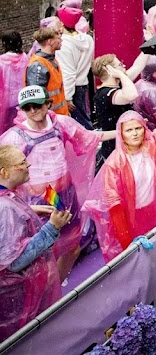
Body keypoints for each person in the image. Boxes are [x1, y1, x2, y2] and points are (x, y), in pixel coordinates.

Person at [0, 86, 114, 279]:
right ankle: (49, 294)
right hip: (37, 199)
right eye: (27, 108)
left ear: (48, 104)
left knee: (72, 246)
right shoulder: (14, 137)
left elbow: (91, 137)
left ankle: (58, 289)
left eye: (37, 105)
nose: (34, 110)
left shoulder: (60, 124)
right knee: (43, 252)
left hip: (64, 194)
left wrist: (120, 132)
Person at [81, 111, 156, 261]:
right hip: (130, 221)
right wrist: (127, 244)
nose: (134, 134)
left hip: (154, 211)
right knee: (140, 261)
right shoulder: (114, 164)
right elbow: (114, 206)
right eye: (129, 130)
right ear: (121, 134)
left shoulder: (151, 144)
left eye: (138, 128)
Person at [0, 144, 70, 340]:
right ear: (4, 172)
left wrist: (29, 209)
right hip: (21, 297)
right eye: (22, 163)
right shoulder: (4, 209)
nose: (28, 165)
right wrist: (52, 228)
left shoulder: (8, 197)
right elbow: (14, 262)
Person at [92, 53, 149, 162]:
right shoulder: (104, 94)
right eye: (120, 65)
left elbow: (137, 67)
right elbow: (132, 96)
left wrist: (147, 48)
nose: (124, 66)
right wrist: (121, 75)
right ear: (109, 70)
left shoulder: (118, 85)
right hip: (114, 148)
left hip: (125, 143)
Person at [55, 4, 95, 129]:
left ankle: (91, 142)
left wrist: (67, 97)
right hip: (83, 83)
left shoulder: (64, 45)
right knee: (83, 116)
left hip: (72, 88)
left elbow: (68, 72)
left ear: (61, 23)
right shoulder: (87, 39)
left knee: (79, 122)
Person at [25, 28, 70, 116]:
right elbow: (36, 98)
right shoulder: (38, 65)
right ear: (50, 41)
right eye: (58, 38)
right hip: (50, 117)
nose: (61, 40)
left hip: (58, 116)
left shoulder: (51, 60)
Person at [0, 33, 27, 134]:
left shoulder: (2, 61)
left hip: (6, 100)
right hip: (22, 98)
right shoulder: (24, 57)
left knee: (6, 128)